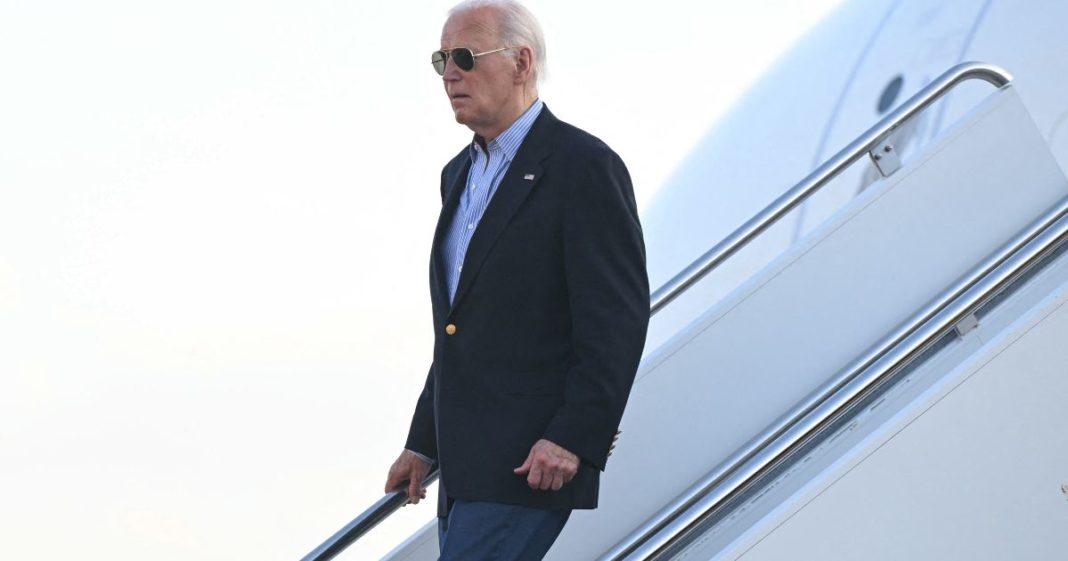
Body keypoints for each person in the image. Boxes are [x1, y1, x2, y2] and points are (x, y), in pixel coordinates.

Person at [383, 0, 649, 558]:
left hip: (531, 464)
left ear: (522, 62)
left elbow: (616, 321)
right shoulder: (456, 176)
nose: (450, 73)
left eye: (465, 56)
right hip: (464, 471)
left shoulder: (582, 166)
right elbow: (462, 326)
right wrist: (423, 443)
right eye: (441, 60)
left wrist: (575, 437)